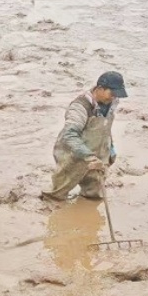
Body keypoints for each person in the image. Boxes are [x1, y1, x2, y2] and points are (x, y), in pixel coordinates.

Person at [41, 71, 128, 201]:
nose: (114, 98)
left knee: (94, 194)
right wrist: (88, 156)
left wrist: (111, 149)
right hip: (73, 155)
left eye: (117, 95)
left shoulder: (112, 102)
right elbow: (69, 135)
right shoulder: (80, 107)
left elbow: (105, 128)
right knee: (57, 193)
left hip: (98, 154)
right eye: (112, 94)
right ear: (99, 89)